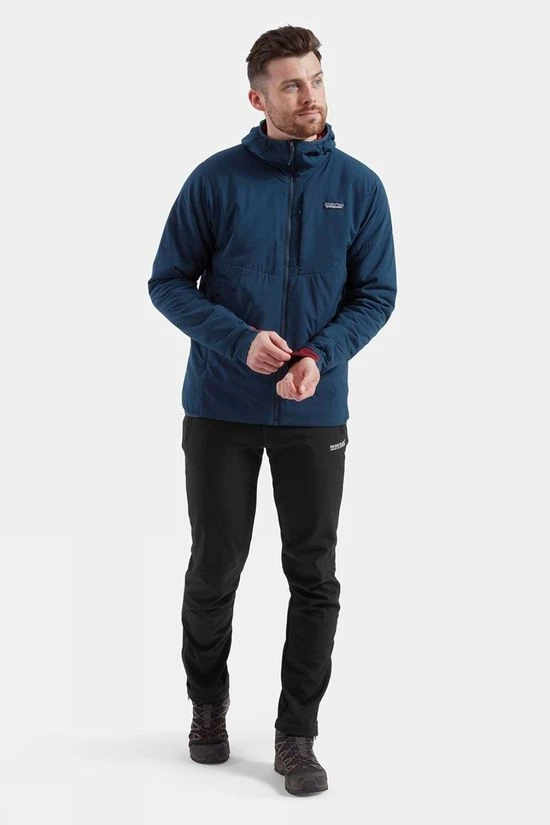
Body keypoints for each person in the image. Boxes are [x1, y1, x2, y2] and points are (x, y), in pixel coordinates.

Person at [147, 24, 397, 796]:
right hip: (221, 407)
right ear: (258, 98)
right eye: (291, 84)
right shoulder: (215, 181)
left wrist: (320, 354)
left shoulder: (359, 187)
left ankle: (296, 733)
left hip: (315, 412)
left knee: (313, 573)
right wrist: (238, 341)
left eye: (316, 79)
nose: (309, 95)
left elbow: (376, 293)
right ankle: (208, 704)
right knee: (215, 566)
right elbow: (167, 282)